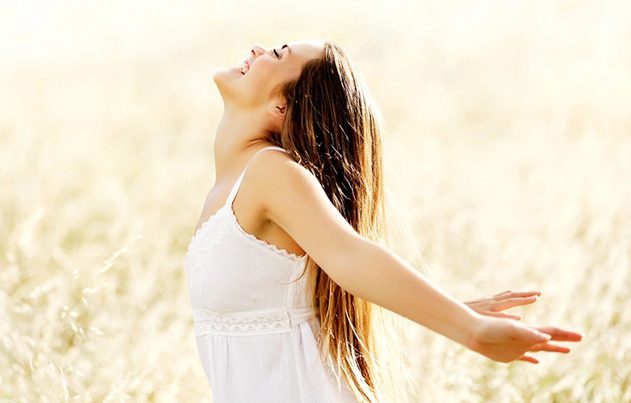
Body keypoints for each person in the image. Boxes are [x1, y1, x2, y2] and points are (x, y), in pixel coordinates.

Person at [184, 39, 583, 403]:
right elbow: (306, 300)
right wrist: (452, 307)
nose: (257, 49)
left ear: (281, 107)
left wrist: (470, 330)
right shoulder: (232, 185)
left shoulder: (271, 174)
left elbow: (351, 256)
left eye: (277, 54)